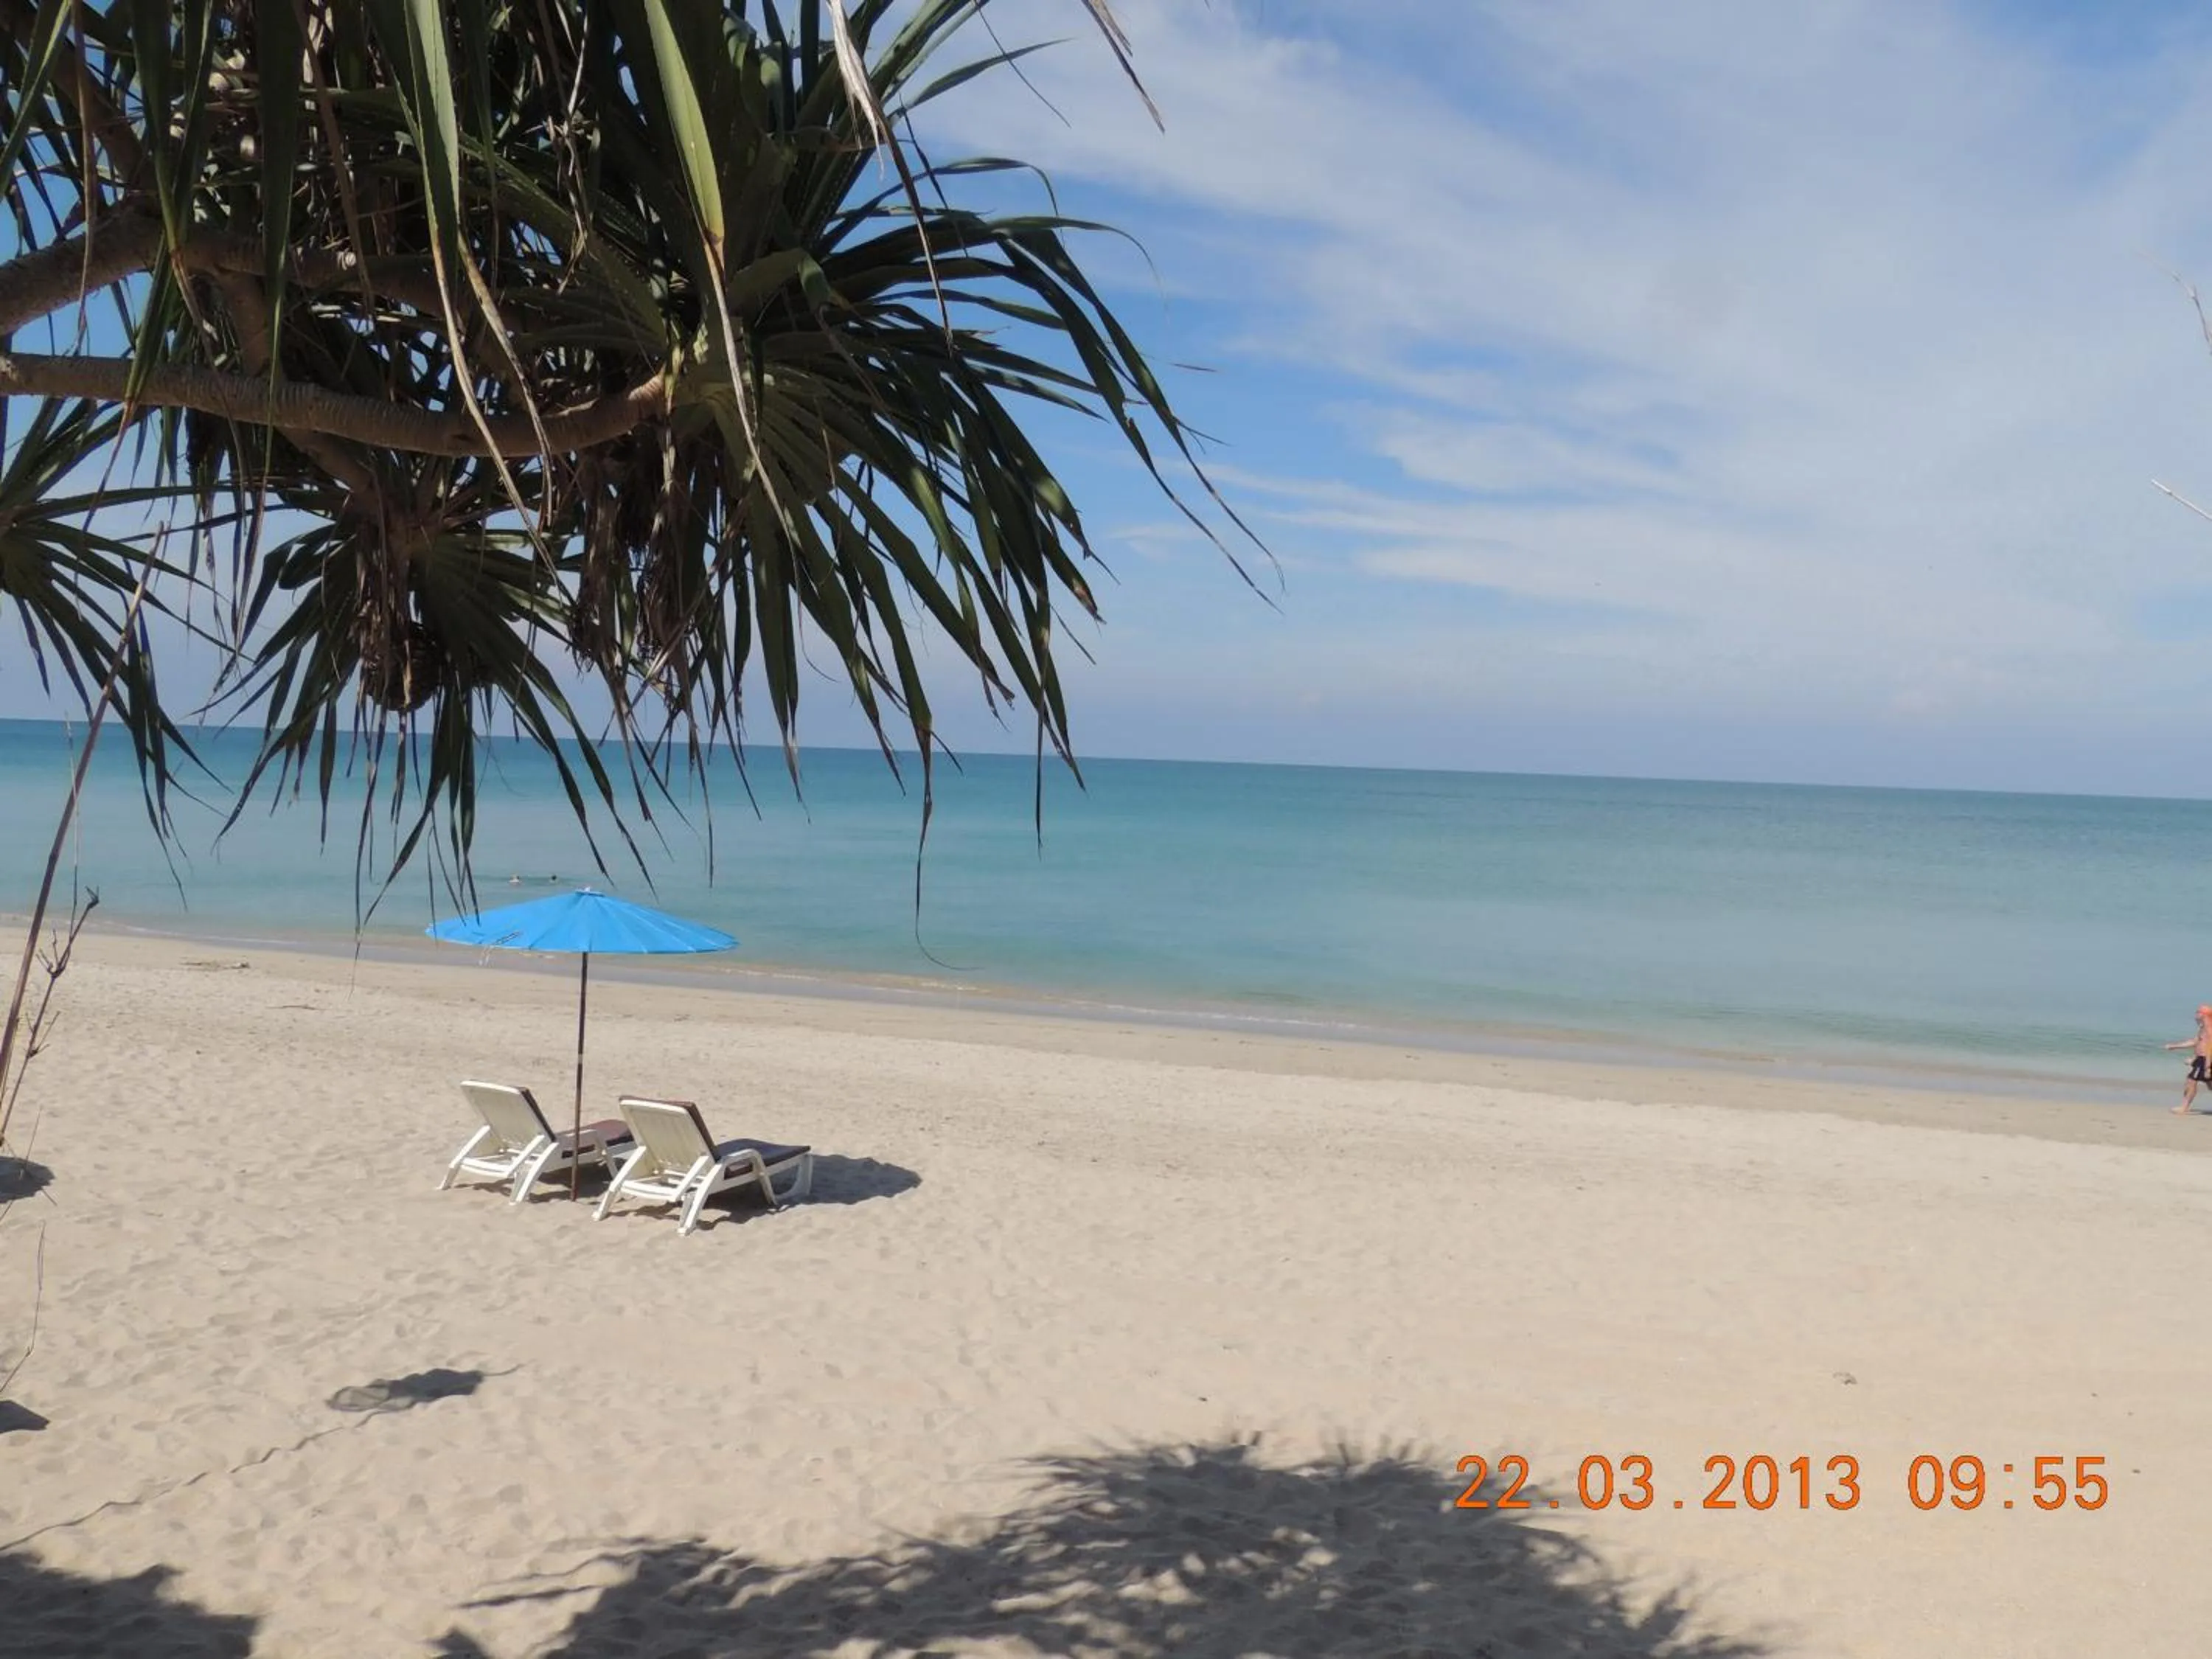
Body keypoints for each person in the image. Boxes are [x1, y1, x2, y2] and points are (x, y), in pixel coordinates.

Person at [2163, 1004, 2212, 1115]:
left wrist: (2208, 1066)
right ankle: (2184, 1106)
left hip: (2206, 1059)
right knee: (2209, 1084)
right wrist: (2175, 1047)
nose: (2196, 1015)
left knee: (2191, 1081)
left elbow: (2210, 1047)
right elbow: (2196, 1042)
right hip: (2201, 1059)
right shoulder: (2202, 1028)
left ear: (2204, 1015)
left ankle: (2184, 1108)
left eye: (2198, 1013)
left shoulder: (2209, 1028)